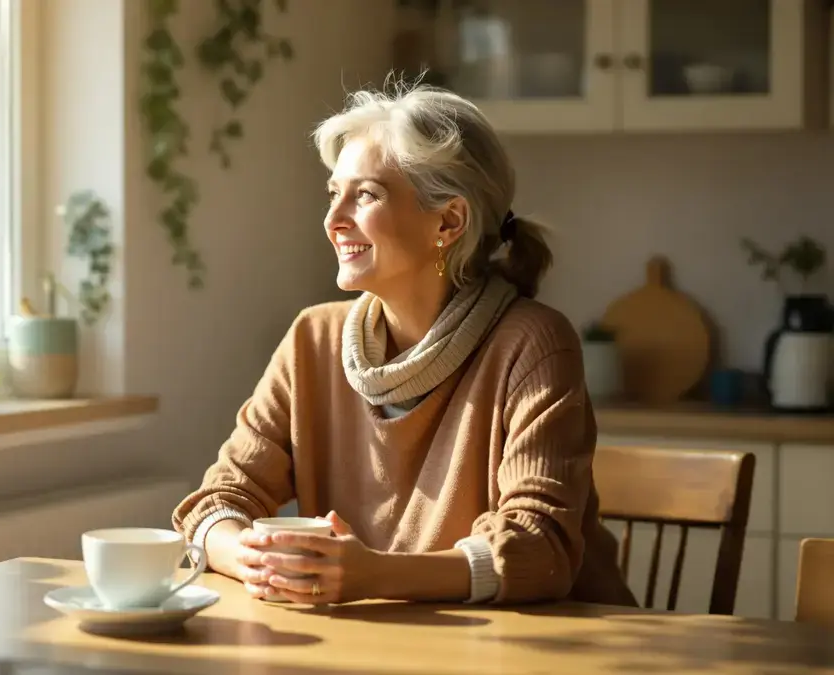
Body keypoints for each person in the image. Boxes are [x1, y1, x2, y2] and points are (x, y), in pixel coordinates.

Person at [171, 83, 637, 608]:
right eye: (333, 193)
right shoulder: (312, 340)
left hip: (545, 644)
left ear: (448, 221)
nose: (333, 219)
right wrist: (251, 558)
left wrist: (373, 576)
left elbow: (538, 548)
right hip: (378, 642)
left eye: (366, 195)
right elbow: (218, 500)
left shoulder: (532, 344)